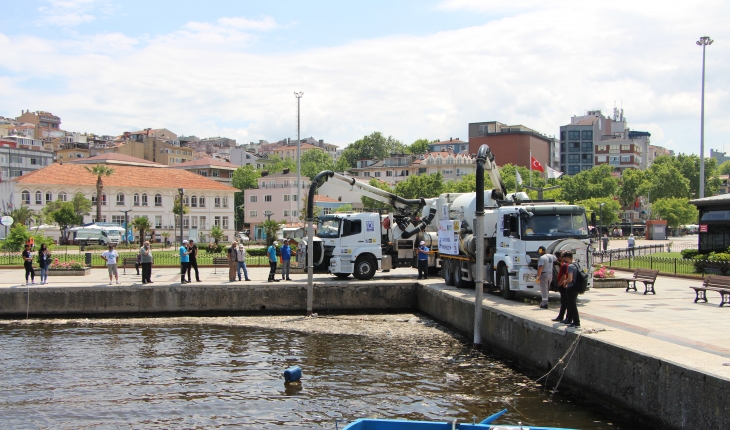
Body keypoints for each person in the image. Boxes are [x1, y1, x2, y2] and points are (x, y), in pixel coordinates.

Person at [561, 251, 580, 328]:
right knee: (573, 304)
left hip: (571, 287)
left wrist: (565, 282)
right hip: (576, 287)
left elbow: (570, 278)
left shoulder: (570, 266)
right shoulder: (577, 264)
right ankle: (571, 320)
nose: (565, 261)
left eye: (565, 258)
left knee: (572, 305)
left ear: (568, 257)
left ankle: (576, 322)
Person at [551, 251, 568, 322]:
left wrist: (559, 284)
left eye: (558, 257)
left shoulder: (564, 265)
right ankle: (561, 316)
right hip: (563, 285)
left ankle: (565, 317)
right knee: (564, 302)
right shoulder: (563, 264)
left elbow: (564, 276)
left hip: (563, 285)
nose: (557, 259)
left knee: (565, 302)